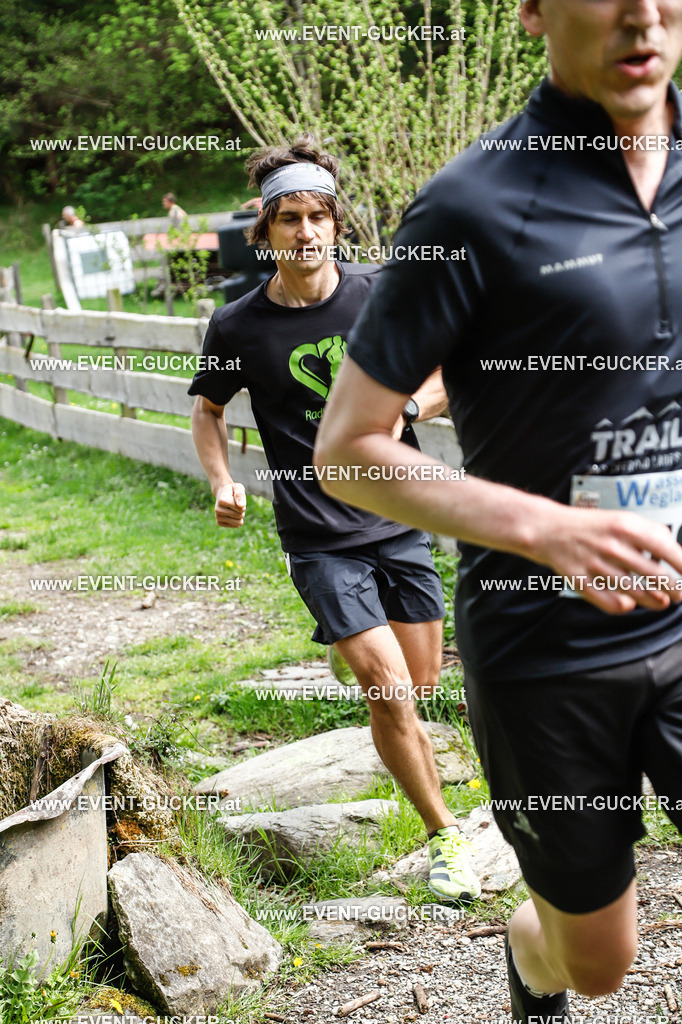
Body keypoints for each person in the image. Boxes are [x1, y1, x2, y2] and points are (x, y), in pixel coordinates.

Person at [314, 1, 682, 1021]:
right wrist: (547, 529)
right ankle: (532, 952)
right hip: (544, 643)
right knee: (596, 958)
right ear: (530, 10)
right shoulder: (471, 207)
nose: (642, 13)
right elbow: (346, 450)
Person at [188, 136, 481, 903]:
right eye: (290, 219)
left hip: (398, 516)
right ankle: (444, 836)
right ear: (265, 231)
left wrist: (408, 408)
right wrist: (222, 478)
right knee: (388, 689)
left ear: (337, 224)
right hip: (318, 536)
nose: (307, 231)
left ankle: (359, 652)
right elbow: (209, 410)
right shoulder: (238, 327)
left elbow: (448, 367)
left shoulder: (381, 293)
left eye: (320, 216)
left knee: (418, 681)